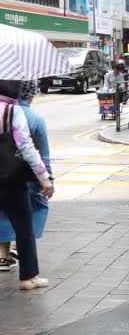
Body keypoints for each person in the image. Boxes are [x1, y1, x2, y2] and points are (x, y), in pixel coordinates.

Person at [0, 80, 53, 290]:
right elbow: (26, 148)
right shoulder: (14, 112)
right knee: (24, 226)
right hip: (11, 179)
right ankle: (28, 277)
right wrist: (44, 179)